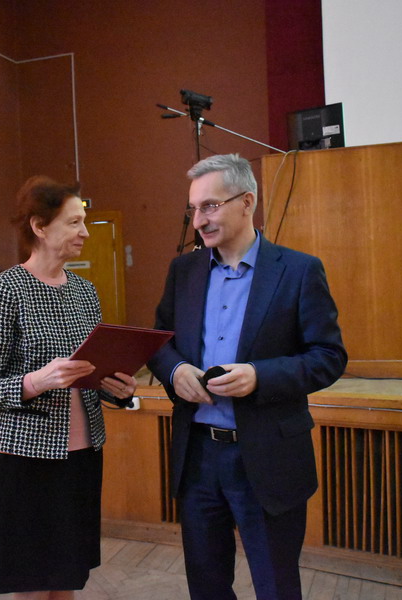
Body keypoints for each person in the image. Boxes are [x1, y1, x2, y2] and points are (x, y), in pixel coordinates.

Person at [147, 154, 347, 600]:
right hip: (198, 457)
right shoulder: (184, 271)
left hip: (267, 456)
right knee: (207, 586)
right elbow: (159, 342)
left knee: (276, 587)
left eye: (210, 206)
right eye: (194, 209)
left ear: (247, 202)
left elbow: (329, 357)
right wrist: (175, 370)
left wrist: (260, 376)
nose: (199, 220)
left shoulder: (298, 271)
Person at [0, 175, 137, 600]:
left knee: (67, 574)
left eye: (84, 222)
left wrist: (115, 387)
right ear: (39, 227)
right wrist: (36, 381)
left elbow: (88, 373)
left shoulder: (85, 292)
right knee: (33, 580)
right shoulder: (4, 291)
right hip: (28, 459)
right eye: (73, 222)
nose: (84, 232)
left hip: (83, 452)